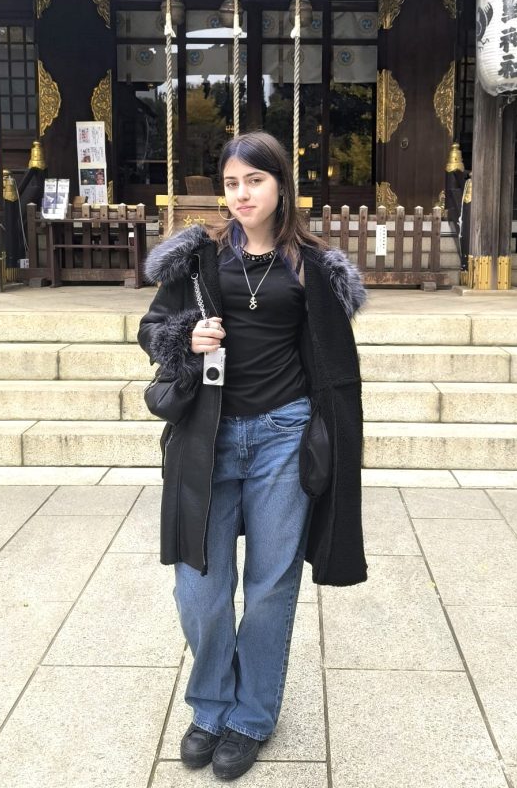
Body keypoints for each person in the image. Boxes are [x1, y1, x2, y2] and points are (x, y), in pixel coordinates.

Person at [138, 131, 367, 781]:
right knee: (200, 586)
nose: (242, 194)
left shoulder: (312, 266)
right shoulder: (198, 258)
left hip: (283, 436)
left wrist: (335, 443)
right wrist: (187, 335)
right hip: (207, 439)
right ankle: (210, 705)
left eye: (255, 181)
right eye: (232, 183)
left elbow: (334, 365)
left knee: (270, 587)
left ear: (281, 186)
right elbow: (151, 330)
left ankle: (251, 716)